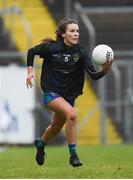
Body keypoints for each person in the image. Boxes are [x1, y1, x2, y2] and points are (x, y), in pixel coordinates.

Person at [26, 18, 113, 167]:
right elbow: (31, 51)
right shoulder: (51, 48)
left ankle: (41, 144)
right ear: (63, 34)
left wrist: (104, 71)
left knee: (55, 127)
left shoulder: (81, 52)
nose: (76, 34)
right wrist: (30, 72)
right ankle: (73, 156)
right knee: (72, 115)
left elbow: (93, 75)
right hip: (51, 92)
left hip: (68, 95)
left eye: (77, 31)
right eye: (72, 31)